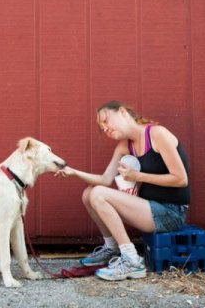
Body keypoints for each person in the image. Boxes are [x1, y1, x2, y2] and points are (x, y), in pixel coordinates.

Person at [55, 100, 190, 281]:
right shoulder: (125, 146)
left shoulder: (157, 134)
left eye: (106, 121)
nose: (105, 128)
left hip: (172, 212)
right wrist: (73, 172)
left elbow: (181, 179)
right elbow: (105, 180)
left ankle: (132, 261)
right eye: (101, 127)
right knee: (90, 193)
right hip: (149, 209)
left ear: (122, 112)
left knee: (98, 194)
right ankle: (112, 249)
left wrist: (137, 176)